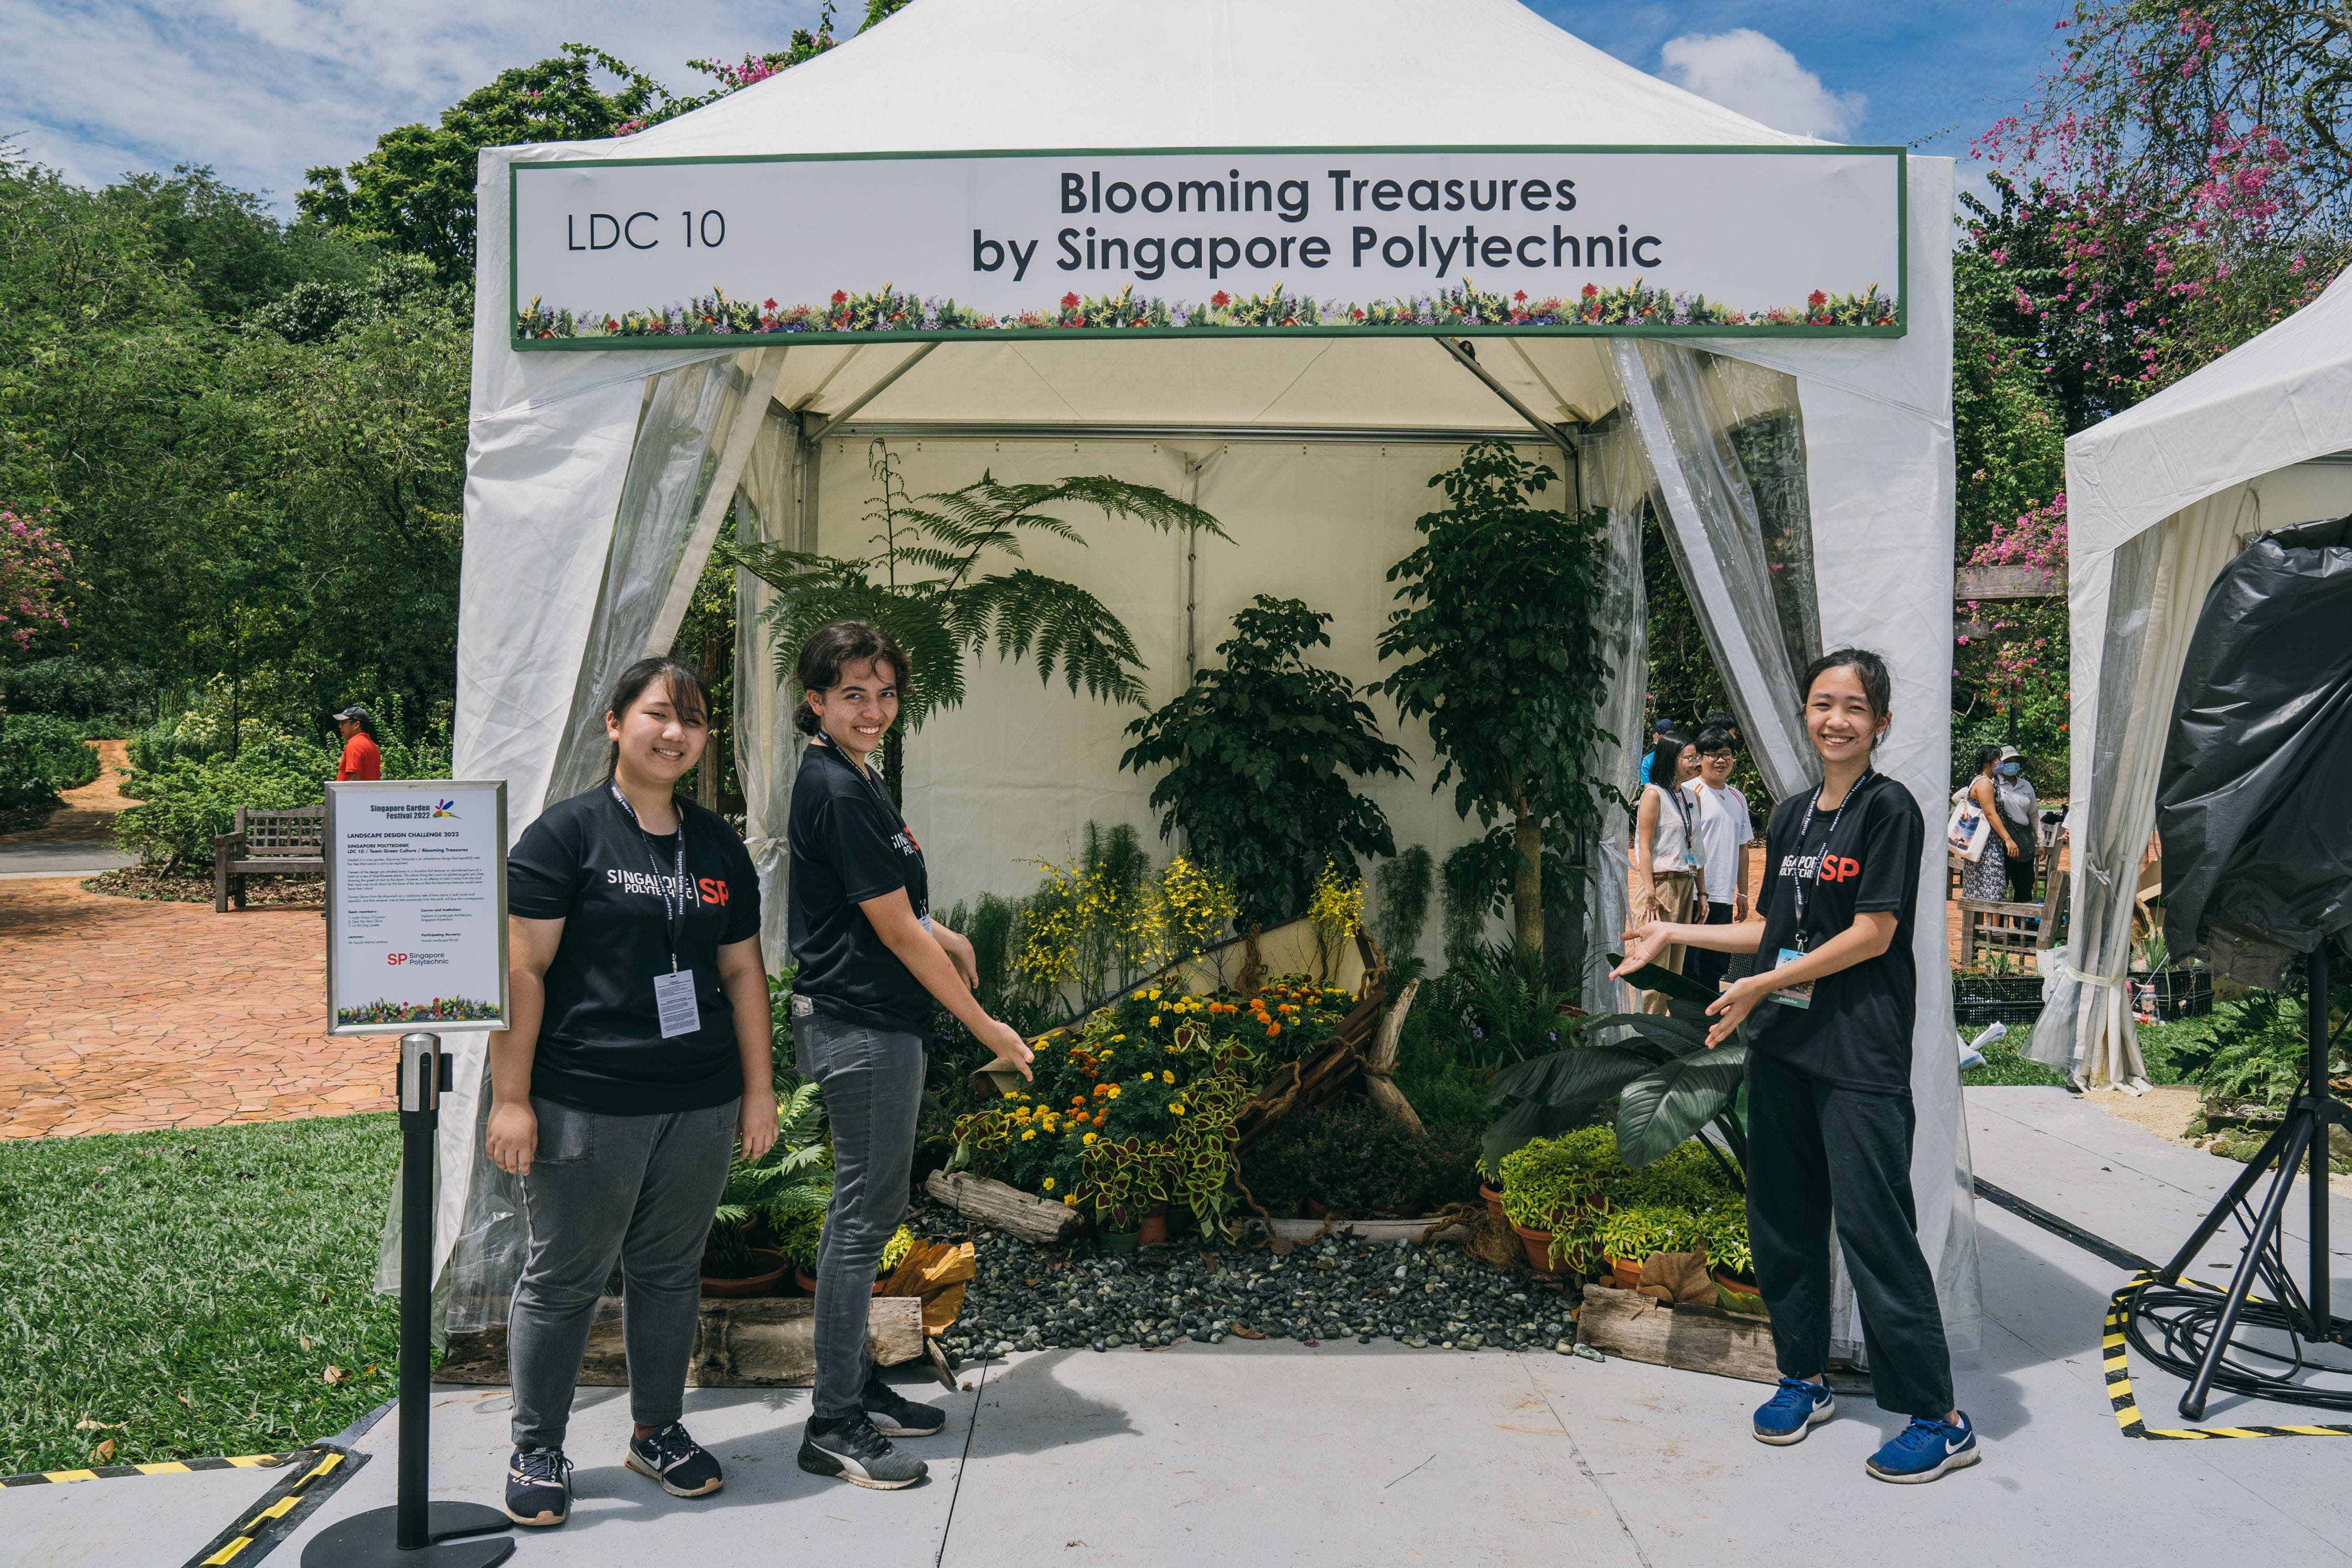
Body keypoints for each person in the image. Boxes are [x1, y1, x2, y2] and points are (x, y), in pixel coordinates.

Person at [1612, 648, 1980, 1484]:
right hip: (1784, 1047)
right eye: (1823, 703)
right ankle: (1804, 1378)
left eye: (1855, 706)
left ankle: (1939, 1416)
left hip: (1859, 1053)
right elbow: (1770, 928)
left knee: (1874, 1229)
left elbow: (1872, 935)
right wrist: (1679, 936)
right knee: (1782, 1220)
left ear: (1880, 722)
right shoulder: (1789, 816)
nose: (1837, 719)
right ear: (1805, 713)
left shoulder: (1892, 812)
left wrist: (1762, 983)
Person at [485, 656, 773, 1528]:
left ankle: (659, 1431)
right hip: (587, 1096)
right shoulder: (564, 837)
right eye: (657, 714)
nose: (675, 732)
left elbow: (744, 973)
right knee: (566, 1275)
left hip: (700, 1095)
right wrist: (512, 1098)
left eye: (691, 719)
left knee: (668, 1272)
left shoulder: (717, 844)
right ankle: (537, 1445)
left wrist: (759, 1092)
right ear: (616, 724)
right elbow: (521, 968)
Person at [787, 619, 1034, 1491]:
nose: (874, 709)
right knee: (861, 1220)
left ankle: (855, 1384)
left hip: (873, 1019)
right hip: (860, 1025)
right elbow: (893, 934)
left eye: (886, 693)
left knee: (871, 1209)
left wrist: (947, 930)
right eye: (853, 693)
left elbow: (883, 906)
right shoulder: (838, 787)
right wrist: (987, 1027)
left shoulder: (856, 778)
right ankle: (834, 1422)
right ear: (814, 700)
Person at [1630, 731, 1705, 1012]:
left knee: (1675, 968)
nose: (1695, 763)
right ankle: (1644, 1035)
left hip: (1686, 884)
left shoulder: (1691, 797)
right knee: (1654, 967)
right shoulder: (1653, 795)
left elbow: (1696, 848)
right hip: (1660, 887)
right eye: (1689, 758)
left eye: (1696, 757)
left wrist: (1702, 892)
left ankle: (1665, 1036)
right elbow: (1645, 848)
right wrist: (1649, 891)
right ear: (1670, 760)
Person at [1682, 728, 1753, 992]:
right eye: (1714, 755)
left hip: (1722, 895)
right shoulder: (1688, 792)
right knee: (1689, 965)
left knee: (1715, 965)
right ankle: (1684, 1026)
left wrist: (1742, 893)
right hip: (1691, 894)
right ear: (1700, 758)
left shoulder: (1738, 797)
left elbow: (1743, 847)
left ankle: (1707, 1027)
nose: (1721, 761)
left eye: (1727, 755)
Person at [1957, 745, 2015, 903]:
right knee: (1993, 887)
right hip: (1985, 845)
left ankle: (1985, 927)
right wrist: (2007, 839)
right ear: (1987, 763)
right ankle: (1992, 927)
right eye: (1997, 759)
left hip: (1981, 844)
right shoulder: (1984, 783)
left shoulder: (1988, 781)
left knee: (1979, 888)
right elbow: (1991, 813)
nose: (2000, 762)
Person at [1992, 746, 2038, 904]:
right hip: (2000, 844)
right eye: (2008, 761)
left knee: (2024, 887)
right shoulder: (1992, 784)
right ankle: (1998, 928)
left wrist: (2041, 842)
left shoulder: (2026, 786)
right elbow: (1961, 796)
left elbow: (2034, 816)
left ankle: (2022, 927)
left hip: (2024, 845)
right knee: (2000, 886)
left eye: (2015, 761)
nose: (2013, 764)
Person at [332, 706, 382, 781]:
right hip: (371, 792)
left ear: (356, 725)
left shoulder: (354, 746)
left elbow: (354, 781)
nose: (340, 726)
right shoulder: (372, 745)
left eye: (343, 723)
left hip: (354, 793)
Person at [1636, 717, 1680, 786]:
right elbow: (1648, 786)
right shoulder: (1649, 760)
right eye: (1668, 736)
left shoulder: (1648, 760)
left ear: (1656, 736)